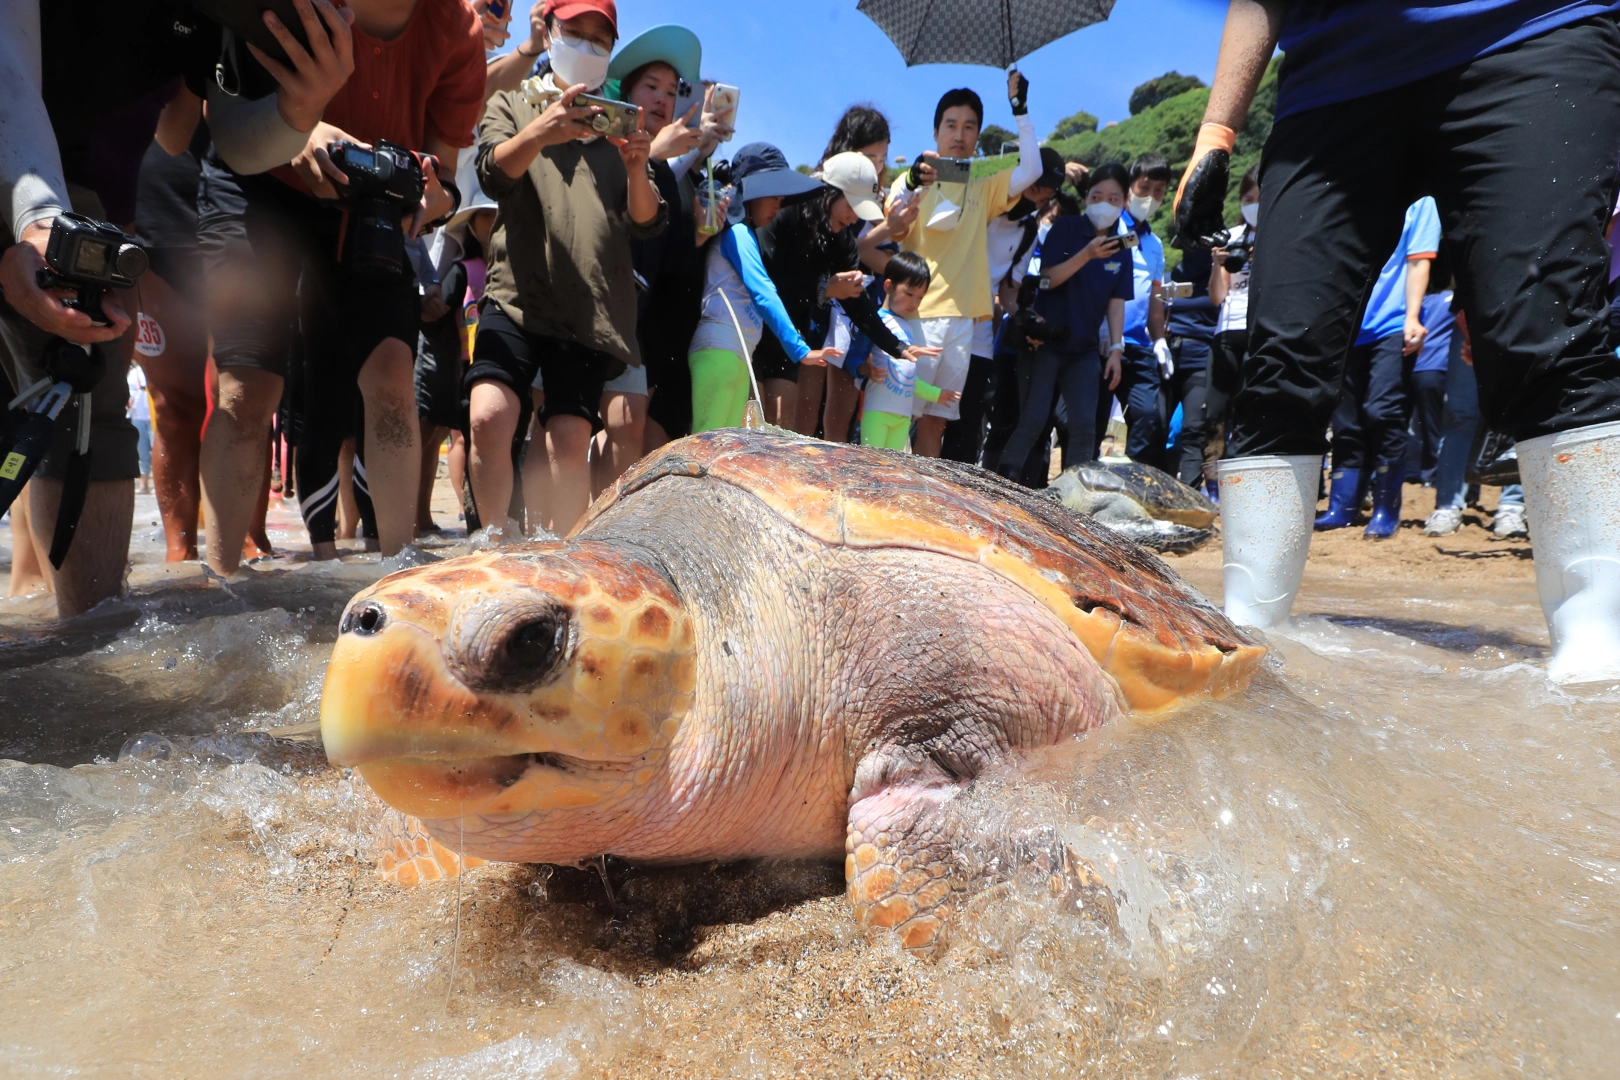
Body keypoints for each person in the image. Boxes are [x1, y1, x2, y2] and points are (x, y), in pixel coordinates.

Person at [1175, 0, 1620, 682]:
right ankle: (1250, 629)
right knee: (1282, 348)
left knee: (1544, 326)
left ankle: (1596, 648)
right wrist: (1216, 129)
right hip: (1332, 72)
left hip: (1532, 33)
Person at [0, 0, 353, 612]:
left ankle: (90, 640)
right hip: (27, 144)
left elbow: (229, 137)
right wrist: (34, 212)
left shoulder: (228, 19)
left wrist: (297, 110)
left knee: (85, 402)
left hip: (81, 184)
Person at [197, 0, 482, 571]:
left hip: (369, 204)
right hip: (260, 183)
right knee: (247, 387)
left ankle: (400, 572)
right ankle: (221, 582)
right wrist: (292, 125)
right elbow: (221, 111)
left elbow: (445, 176)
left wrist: (430, 198)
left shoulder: (458, 29)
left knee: (392, 374)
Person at [470, 0, 665, 538]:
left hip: (588, 308)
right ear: (550, 32)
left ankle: (556, 562)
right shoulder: (512, 102)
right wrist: (542, 132)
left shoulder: (619, 127)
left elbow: (647, 223)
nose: (585, 46)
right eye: (573, 32)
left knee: (570, 439)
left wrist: (636, 167)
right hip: (515, 293)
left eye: (599, 40)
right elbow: (492, 174)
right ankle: (489, 547)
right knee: (488, 414)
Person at [882, 73, 1043, 457]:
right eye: (951, 125)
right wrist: (910, 177)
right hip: (917, 315)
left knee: (937, 420)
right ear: (936, 131)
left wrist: (1020, 111)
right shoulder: (914, 178)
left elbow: (1032, 171)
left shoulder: (983, 185)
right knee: (900, 412)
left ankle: (922, 499)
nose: (960, 134)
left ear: (978, 136)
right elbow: (894, 215)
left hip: (962, 321)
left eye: (969, 127)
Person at [752, 152, 937, 433]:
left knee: (778, 428)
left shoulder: (843, 241)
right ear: (830, 192)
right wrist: (825, 288)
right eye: (852, 206)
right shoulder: (786, 210)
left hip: (787, 340)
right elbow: (764, 284)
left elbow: (858, 304)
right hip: (751, 328)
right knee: (747, 424)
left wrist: (898, 346)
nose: (853, 219)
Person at [992, 164, 1134, 482]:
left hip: (1083, 349)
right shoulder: (1066, 229)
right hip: (1044, 342)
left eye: (1113, 198)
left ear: (1125, 201)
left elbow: (1116, 302)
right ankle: (1003, 486)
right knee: (1033, 419)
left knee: (1085, 427)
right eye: (1097, 196)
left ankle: (1073, 502)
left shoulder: (1122, 248)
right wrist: (1086, 254)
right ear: (1086, 199)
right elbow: (1046, 279)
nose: (1104, 204)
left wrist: (1114, 348)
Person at [686, 144, 840, 432]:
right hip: (720, 351)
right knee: (706, 449)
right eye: (775, 197)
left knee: (722, 451)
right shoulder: (738, 232)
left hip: (733, 354)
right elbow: (763, 291)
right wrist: (800, 349)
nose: (778, 207)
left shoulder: (740, 232)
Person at [1312, 196, 1439, 538]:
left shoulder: (1421, 203)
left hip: (1393, 323)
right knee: (1346, 419)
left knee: (1383, 410)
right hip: (1348, 326)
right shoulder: (1358, 192)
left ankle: (1386, 508)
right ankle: (1343, 507)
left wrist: (1413, 316)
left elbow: (1418, 261)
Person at [797, 106, 894, 441]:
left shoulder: (880, 200)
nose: (876, 166)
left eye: (882, 158)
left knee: (841, 416)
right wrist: (885, 231)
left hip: (856, 307)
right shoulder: (818, 191)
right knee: (803, 415)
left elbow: (884, 260)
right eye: (869, 156)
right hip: (816, 306)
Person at [1093, 153, 1172, 468]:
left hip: (1139, 345)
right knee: (1092, 421)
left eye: (1159, 191)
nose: (1150, 197)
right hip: (1102, 343)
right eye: (1145, 187)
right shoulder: (1107, 227)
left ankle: (1134, 484)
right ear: (1129, 189)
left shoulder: (1156, 245)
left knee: (1149, 417)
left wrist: (1160, 340)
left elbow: (1155, 300)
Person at [1423, 307, 1528, 540]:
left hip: (1525, 319)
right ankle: (1448, 506)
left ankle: (1513, 508)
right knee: (1460, 415)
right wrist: (1473, 330)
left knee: (1518, 414)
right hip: (1472, 319)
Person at [860, 252, 961, 450]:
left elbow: (908, 379)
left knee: (893, 473)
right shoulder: (876, 321)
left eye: (920, 297)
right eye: (909, 294)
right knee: (869, 467)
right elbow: (856, 356)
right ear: (888, 286)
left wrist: (935, 394)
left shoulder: (908, 328)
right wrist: (865, 369)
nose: (914, 303)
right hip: (877, 411)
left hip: (902, 417)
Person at [1204, 165, 1260, 490]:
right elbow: (1217, 297)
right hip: (1227, 333)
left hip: (1260, 332)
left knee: (1249, 411)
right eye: (1248, 198)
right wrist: (1217, 264)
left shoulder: (1279, 237)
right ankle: (1213, 483)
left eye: (1260, 199)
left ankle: (1244, 483)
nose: (1253, 205)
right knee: (1215, 412)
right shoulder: (1231, 237)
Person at [1162, 247, 1219, 492]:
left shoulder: (1219, 276)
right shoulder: (1167, 277)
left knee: (1193, 430)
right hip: (1166, 358)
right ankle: (1157, 494)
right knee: (1156, 426)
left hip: (1201, 360)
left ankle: (1188, 497)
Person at [126, 361, 152, 495]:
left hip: (154, 417)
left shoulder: (154, 368)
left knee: (157, 449)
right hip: (138, 417)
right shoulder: (132, 373)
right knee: (142, 452)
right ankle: (143, 485)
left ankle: (159, 486)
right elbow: (127, 393)